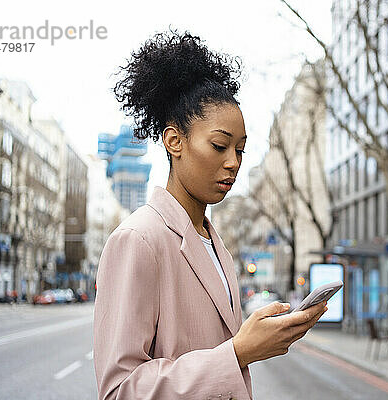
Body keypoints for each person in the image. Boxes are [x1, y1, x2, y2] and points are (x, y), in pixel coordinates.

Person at [93, 31, 327, 400]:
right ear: (175, 141)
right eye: (219, 146)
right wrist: (238, 353)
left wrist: (259, 339)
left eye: (240, 149)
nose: (233, 163)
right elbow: (120, 390)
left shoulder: (217, 247)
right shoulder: (138, 239)